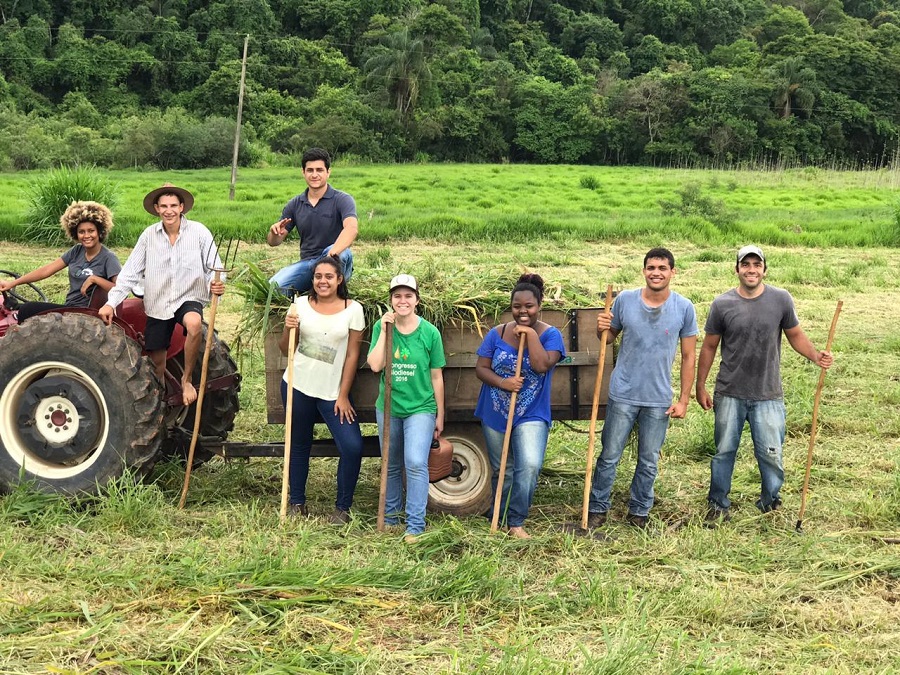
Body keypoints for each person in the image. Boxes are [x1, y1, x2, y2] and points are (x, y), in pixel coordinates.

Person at [696, 245, 834, 524]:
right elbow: (709, 346)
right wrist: (700, 386)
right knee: (724, 451)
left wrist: (816, 355)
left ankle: (770, 501)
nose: (751, 270)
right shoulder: (721, 304)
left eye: (756, 265)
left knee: (771, 452)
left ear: (764, 270)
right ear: (736, 270)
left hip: (768, 393)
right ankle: (718, 504)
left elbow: (795, 335)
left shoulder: (781, 300)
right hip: (729, 391)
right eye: (745, 264)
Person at [586, 248, 698, 529]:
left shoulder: (684, 308)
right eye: (651, 267)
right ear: (643, 271)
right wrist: (602, 328)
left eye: (662, 267)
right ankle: (598, 508)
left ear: (673, 272)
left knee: (648, 460)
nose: (656, 272)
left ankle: (639, 511)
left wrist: (684, 399)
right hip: (623, 392)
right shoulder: (624, 300)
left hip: (658, 397)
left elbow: (689, 356)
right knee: (609, 455)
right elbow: (609, 339)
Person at [98, 184, 224, 407]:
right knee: (158, 365)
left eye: (173, 205)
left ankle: (186, 380)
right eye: (164, 206)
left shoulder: (199, 232)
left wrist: (216, 284)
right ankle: (162, 401)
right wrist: (111, 303)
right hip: (158, 302)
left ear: (182, 207)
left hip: (188, 296)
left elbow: (215, 268)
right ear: (156, 208)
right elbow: (129, 272)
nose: (169, 211)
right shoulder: (149, 236)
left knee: (194, 324)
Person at [475, 273, 566, 539]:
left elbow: (541, 365)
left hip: (532, 412)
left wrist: (529, 334)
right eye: (517, 307)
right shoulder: (497, 333)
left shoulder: (551, 336)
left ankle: (516, 521)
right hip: (495, 409)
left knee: (528, 464)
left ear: (539, 306)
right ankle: (498, 517)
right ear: (511, 307)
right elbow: (481, 369)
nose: (522, 311)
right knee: (502, 467)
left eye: (529, 306)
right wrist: (503, 383)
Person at [279, 257, 365, 524]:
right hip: (298, 384)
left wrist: (342, 395)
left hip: (332, 393)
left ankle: (342, 509)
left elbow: (352, 355)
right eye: (318, 276)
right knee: (299, 444)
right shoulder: (299, 306)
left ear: (340, 279)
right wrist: (287, 327)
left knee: (352, 446)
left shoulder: (353, 310)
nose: (322, 281)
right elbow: (286, 349)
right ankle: (297, 503)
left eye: (329, 276)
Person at [367, 274, 446, 543]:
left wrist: (440, 413)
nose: (403, 301)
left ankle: (414, 525)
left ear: (417, 300)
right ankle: (390, 518)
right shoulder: (383, 327)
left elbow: (436, 376)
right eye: (397, 296)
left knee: (414, 462)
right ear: (391, 300)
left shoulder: (429, 333)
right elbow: (376, 365)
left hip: (420, 408)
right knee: (390, 463)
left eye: (408, 296)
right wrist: (385, 331)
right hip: (389, 407)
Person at [0, 201, 121, 322]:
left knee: (28, 310)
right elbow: (46, 270)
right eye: (81, 232)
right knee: (22, 308)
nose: (86, 235)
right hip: (70, 307)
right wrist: (13, 283)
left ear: (99, 231)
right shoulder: (77, 251)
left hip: (86, 313)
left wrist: (95, 279)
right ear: (75, 233)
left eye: (91, 230)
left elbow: (121, 289)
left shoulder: (108, 258)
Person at [267, 147, 358, 294]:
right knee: (273, 287)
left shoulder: (342, 199)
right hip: (309, 264)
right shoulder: (295, 204)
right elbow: (274, 242)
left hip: (337, 260)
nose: (314, 175)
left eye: (319, 170)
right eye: (310, 170)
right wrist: (274, 233)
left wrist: (330, 257)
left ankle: (331, 292)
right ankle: (309, 291)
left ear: (328, 172)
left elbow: (351, 228)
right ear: (303, 172)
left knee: (338, 253)